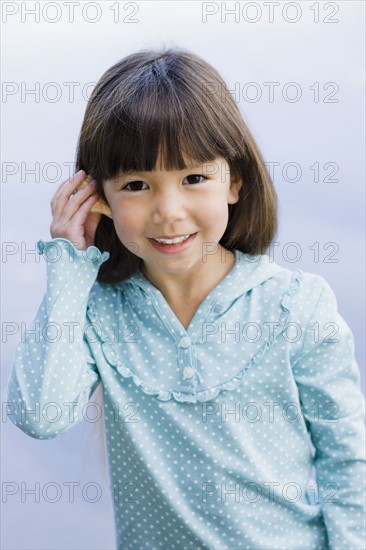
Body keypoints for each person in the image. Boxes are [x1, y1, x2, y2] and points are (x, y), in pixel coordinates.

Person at [6, 47, 366, 550]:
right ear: (98, 198)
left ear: (234, 182)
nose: (168, 211)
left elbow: (348, 461)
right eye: (136, 185)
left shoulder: (295, 305)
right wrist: (67, 267)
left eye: (193, 178)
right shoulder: (98, 311)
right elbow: (40, 416)